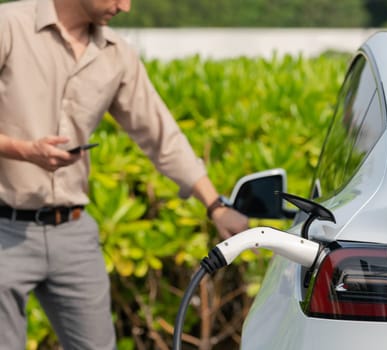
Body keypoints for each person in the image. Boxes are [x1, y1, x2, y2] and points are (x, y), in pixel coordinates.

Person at [0, 0, 249, 348]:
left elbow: (162, 137)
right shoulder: (8, 25)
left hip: (73, 233)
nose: (126, 7)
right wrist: (23, 150)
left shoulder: (117, 55)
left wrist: (215, 205)